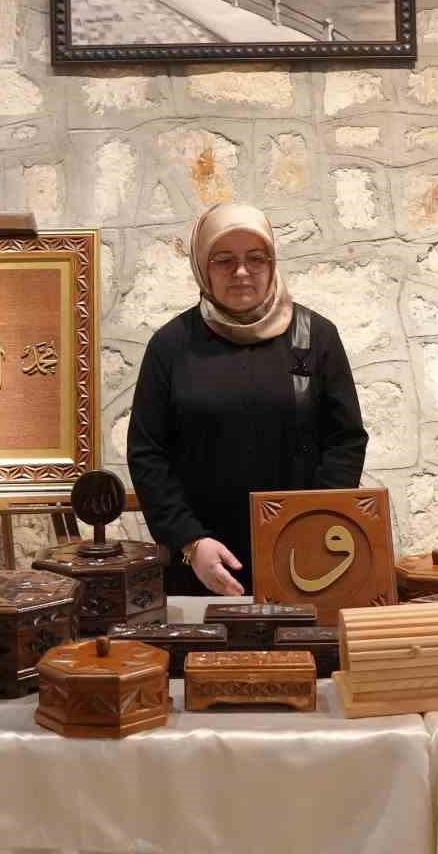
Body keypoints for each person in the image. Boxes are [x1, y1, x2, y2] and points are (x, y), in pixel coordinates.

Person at [127, 202, 368, 596]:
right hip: (203, 566)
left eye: (256, 259)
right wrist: (189, 542)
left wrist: (316, 527)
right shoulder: (171, 346)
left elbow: (345, 441)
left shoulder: (315, 337)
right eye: (224, 260)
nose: (242, 272)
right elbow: (147, 453)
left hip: (305, 562)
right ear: (203, 267)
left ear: (273, 263)